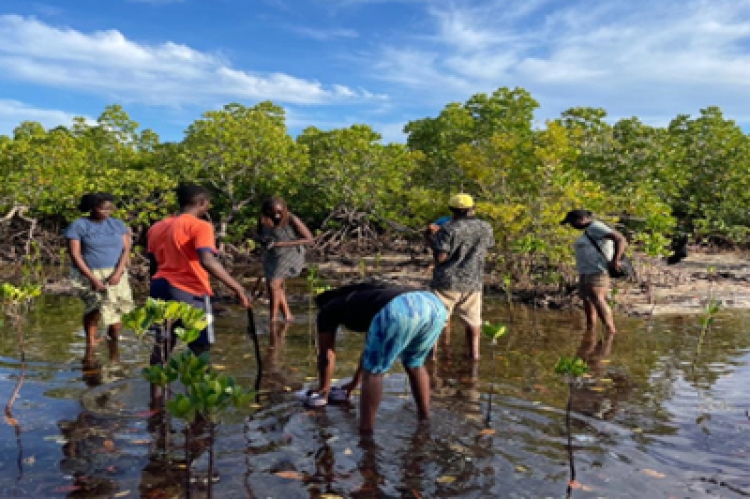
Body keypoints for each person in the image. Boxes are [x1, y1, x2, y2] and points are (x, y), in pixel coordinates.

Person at [308, 282, 448, 435]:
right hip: (434, 306)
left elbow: (326, 355)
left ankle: (366, 433)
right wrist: (354, 383)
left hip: (399, 309)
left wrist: (324, 388)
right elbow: (371, 350)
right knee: (415, 364)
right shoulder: (364, 298)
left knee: (374, 373)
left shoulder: (328, 310)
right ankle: (425, 418)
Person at [147, 184, 252, 360]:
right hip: (187, 289)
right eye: (208, 203)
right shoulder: (201, 226)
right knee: (200, 348)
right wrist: (238, 288)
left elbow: (153, 265)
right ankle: (201, 386)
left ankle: (157, 387)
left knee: (163, 343)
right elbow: (207, 260)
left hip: (158, 287)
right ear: (202, 202)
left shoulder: (156, 227)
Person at [430, 194, 494, 360]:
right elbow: (487, 246)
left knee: (437, 322)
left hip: (446, 282)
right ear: (472, 208)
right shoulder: (486, 227)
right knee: (473, 322)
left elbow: (440, 258)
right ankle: (474, 356)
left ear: (452, 210)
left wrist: (431, 237)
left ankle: (433, 357)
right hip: (473, 281)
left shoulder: (448, 229)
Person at [65, 193, 134, 346]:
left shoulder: (117, 224)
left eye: (110, 208)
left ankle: (113, 338)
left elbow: (126, 249)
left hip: (116, 272)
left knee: (119, 307)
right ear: (92, 208)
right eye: (103, 209)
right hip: (89, 273)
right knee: (95, 307)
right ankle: (91, 343)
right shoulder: (78, 226)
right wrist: (93, 279)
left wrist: (118, 273)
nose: (107, 212)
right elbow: (75, 254)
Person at [560, 209, 628, 337]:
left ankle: (610, 331)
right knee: (587, 299)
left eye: (572, 222)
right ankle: (591, 331)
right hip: (586, 271)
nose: (571, 226)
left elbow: (620, 239)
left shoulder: (596, 227)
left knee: (598, 299)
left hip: (597, 270)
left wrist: (616, 260)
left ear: (581, 219)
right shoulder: (589, 230)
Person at [256, 196, 314, 322]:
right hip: (272, 255)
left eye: (279, 212)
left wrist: (280, 244)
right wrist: (263, 240)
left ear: (284, 210)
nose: (276, 216)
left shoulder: (291, 219)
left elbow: (309, 239)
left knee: (273, 285)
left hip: (290, 253)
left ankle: (273, 319)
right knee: (275, 286)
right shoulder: (263, 219)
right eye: (273, 213)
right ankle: (287, 316)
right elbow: (258, 234)